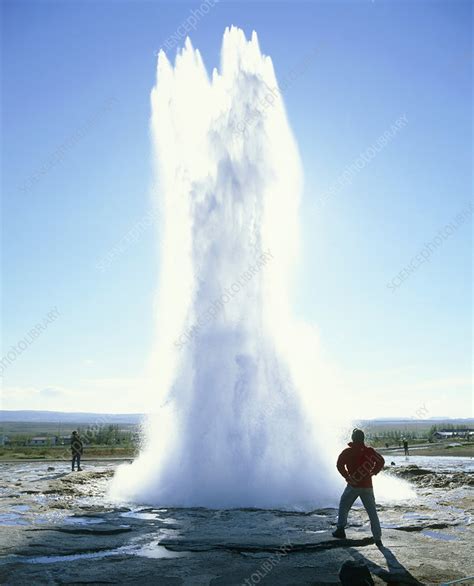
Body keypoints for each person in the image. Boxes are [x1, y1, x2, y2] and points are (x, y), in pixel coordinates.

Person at [332, 428, 385, 547]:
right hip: (367, 486)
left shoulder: (348, 451)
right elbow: (381, 461)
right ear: (363, 439)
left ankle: (340, 530)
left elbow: (339, 464)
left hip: (353, 485)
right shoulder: (370, 451)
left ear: (353, 438)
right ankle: (378, 538)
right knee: (372, 513)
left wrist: (347, 477)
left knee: (344, 505)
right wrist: (373, 472)